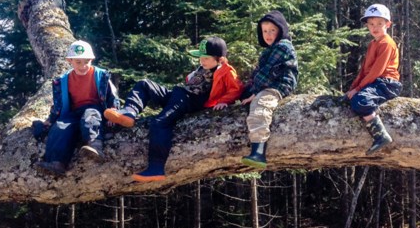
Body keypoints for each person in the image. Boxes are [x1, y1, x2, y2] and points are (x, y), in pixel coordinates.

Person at [104, 36, 242, 182]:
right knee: (144, 84)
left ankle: (156, 167)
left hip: (188, 101)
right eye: (200, 57)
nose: (202, 61)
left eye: (206, 58)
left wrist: (223, 101)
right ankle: (129, 112)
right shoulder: (204, 67)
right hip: (177, 94)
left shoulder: (226, 70)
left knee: (160, 122)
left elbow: (236, 88)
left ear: (220, 59)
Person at [32, 40, 120, 176]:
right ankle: (56, 162)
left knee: (90, 115)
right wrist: (51, 119)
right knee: (60, 126)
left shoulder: (101, 76)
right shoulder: (63, 80)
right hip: (73, 111)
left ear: (91, 60)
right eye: (78, 62)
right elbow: (59, 103)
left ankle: (95, 146)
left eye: (86, 61)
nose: (83, 66)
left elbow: (112, 95)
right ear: (70, 61)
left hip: (94, 107)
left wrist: (113, 110)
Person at [240, 10, 299, 169]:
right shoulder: (270, 49)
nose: (268, 34)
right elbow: (257, 74)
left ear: (281, 30)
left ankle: (258, 150)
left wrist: (255, 92)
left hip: (278, 85)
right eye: (265, 31)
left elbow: (266, 73)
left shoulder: (283, 47)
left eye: (272, 30)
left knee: (261, 105)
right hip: (268, 84)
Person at [345, 3, 401, 154]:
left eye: (379, 24)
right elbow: (364, 70)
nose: (375, 27)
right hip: (375, 81)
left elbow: (377, 71)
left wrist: (358, 89)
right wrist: (353, 88)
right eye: (371, 24)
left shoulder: (387, 43)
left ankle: (381, 135)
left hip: (387, 83)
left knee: (361, 100)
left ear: (387, 24)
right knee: (349, 99)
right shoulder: (372, 44)